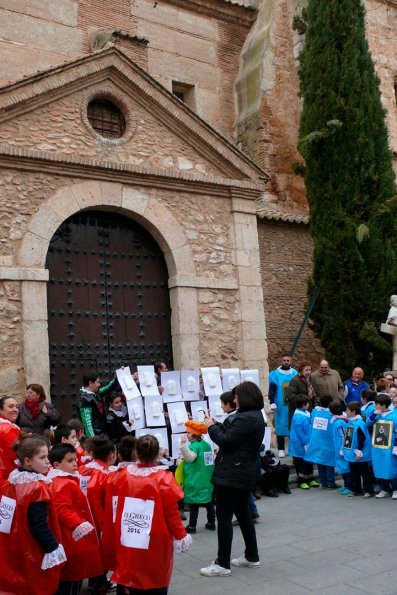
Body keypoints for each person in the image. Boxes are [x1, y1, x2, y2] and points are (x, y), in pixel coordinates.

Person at [200, 381, 265, 577]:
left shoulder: (246, 418)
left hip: (232, 473)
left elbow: (227, 440)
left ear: (244, 397)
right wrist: (217, 424)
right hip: (242, 472)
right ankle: (251, 556)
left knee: (224, 517)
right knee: (244, 514)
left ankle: (222, 563)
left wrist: (211, 428)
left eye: (236, 397)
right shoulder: (252, 416)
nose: (234, 399)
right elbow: (233, 435)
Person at [112, 435, 191, 593]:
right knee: (155, 574)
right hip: (156, 537)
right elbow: (171, 513)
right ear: (158, 453)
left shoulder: (123, 476)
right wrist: (181, 535)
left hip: (129, 533)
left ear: (137, 453)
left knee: (130, 569)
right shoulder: (164, 479)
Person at [0, 435, 66, 595]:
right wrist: (53, 548)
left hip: (11, 546)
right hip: (31, 548)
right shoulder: (37, 487)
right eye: (42, 457)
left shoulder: (10, 482)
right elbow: (38, 525)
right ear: (28, 461)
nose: (47, 461)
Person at [48, 444, 103, 595]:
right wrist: (79, 524)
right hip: (70, 540)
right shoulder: (62, 483)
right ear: (57, 465)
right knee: (71, 583)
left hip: (70, 538)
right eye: (70, 461)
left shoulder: (64, 480)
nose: (75, 464)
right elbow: (61, 509)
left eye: (75, 460)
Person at [102, 435, 137, 572]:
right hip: (139, 526)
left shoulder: (111, 476)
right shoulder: (145, 476)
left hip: (117, 525)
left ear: (119, 455)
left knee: (122, 564)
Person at [179, 420, 215, 534]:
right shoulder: (207, 445)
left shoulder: (194, 446)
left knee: (194, 503)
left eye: (188, 433)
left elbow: (190, 458)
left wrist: (183, 445)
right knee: (208, 501)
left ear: (194, 434)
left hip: (195, 479)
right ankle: (211, 523)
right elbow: (209, 462)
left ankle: (192, 526)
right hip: (206, 479)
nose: (186, 435)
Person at [367, 394, 397, 498]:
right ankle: (384, 489)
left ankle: (395, 489)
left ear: (384, 405)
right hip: (378, 447)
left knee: (391, 468)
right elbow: (368, 423)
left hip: (390, 447)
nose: (375, 406)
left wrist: (396, 446)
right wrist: (373, 415)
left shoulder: (394, 415)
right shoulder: (376, 414)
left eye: (377, 404)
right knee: (380, 467)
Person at [304, 394, 338, 489]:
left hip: (316, 441)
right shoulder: (330, 414)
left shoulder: (315, 412)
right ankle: (331, 483)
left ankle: (324, 483)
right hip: (328, 441)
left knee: (320, 462)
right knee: (329, 463)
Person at [268, 353, 298, 457]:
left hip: (293, 405)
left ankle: (291, 447)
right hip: (280, 405)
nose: (286, 362)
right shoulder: (275, 374)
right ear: (281, 361)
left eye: (288, 360)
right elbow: (271, 390)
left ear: (291, 361)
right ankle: (281, 448)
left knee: (293, 425)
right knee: (280, 425)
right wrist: (272, 402)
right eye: (284, 360)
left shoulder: (295, 373)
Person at [342, 401, 373, 498]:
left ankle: (368, 490)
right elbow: (348, 437)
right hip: (352, 453)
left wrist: (359, 452)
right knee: (354, 472)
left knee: (364, 473)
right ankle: (357, 489)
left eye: (347, 410)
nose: (346, 412)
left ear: (353, 412)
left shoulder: (360, 423)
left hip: (359, 453)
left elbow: (362, 439)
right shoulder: (350, 422)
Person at [289, 394, 319, 490]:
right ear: (303, 405)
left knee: (309, 461)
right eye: (307, 404)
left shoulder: (305, 413)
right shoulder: (298, 416)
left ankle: (310, 479)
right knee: (301, 462)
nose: (309, 405)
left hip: (307, 441)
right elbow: (299, 432)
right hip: (300, 443)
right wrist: (305, 443)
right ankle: (302, 481)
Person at [78, 372, 116, 438]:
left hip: (102, 433)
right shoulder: (85, 400)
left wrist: (120, 375)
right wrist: (92, 440)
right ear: (90, 383)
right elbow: (87, 423)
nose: (99, 384)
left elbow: (108, 387)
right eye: (97, 382)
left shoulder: (96, 393)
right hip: (96, 437)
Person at [329, 401, 354, 495]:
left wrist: (342, 449)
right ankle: (346, 484)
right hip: (338, 446)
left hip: (342, 448)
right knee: (342, 466)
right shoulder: (336, 420)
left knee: (345, 467)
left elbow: (344, 436)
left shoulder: (339, 422)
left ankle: (350, 486)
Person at [285, 360, 316, 428]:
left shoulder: (311, 380)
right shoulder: (295, 380)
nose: (308, 372)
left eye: (309, 370)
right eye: (306, 370)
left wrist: (314, 407)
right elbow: (291, 396)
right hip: (298, 412)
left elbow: (314, 396)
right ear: (301, 371)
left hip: (309, 411)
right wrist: (303, 404)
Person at [0, 395, 20, 486]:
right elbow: (16, 455)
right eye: (10, 406)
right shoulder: (8, 429)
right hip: (8, 475)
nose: (15, 409)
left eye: (16, 407)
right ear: (1, 410)